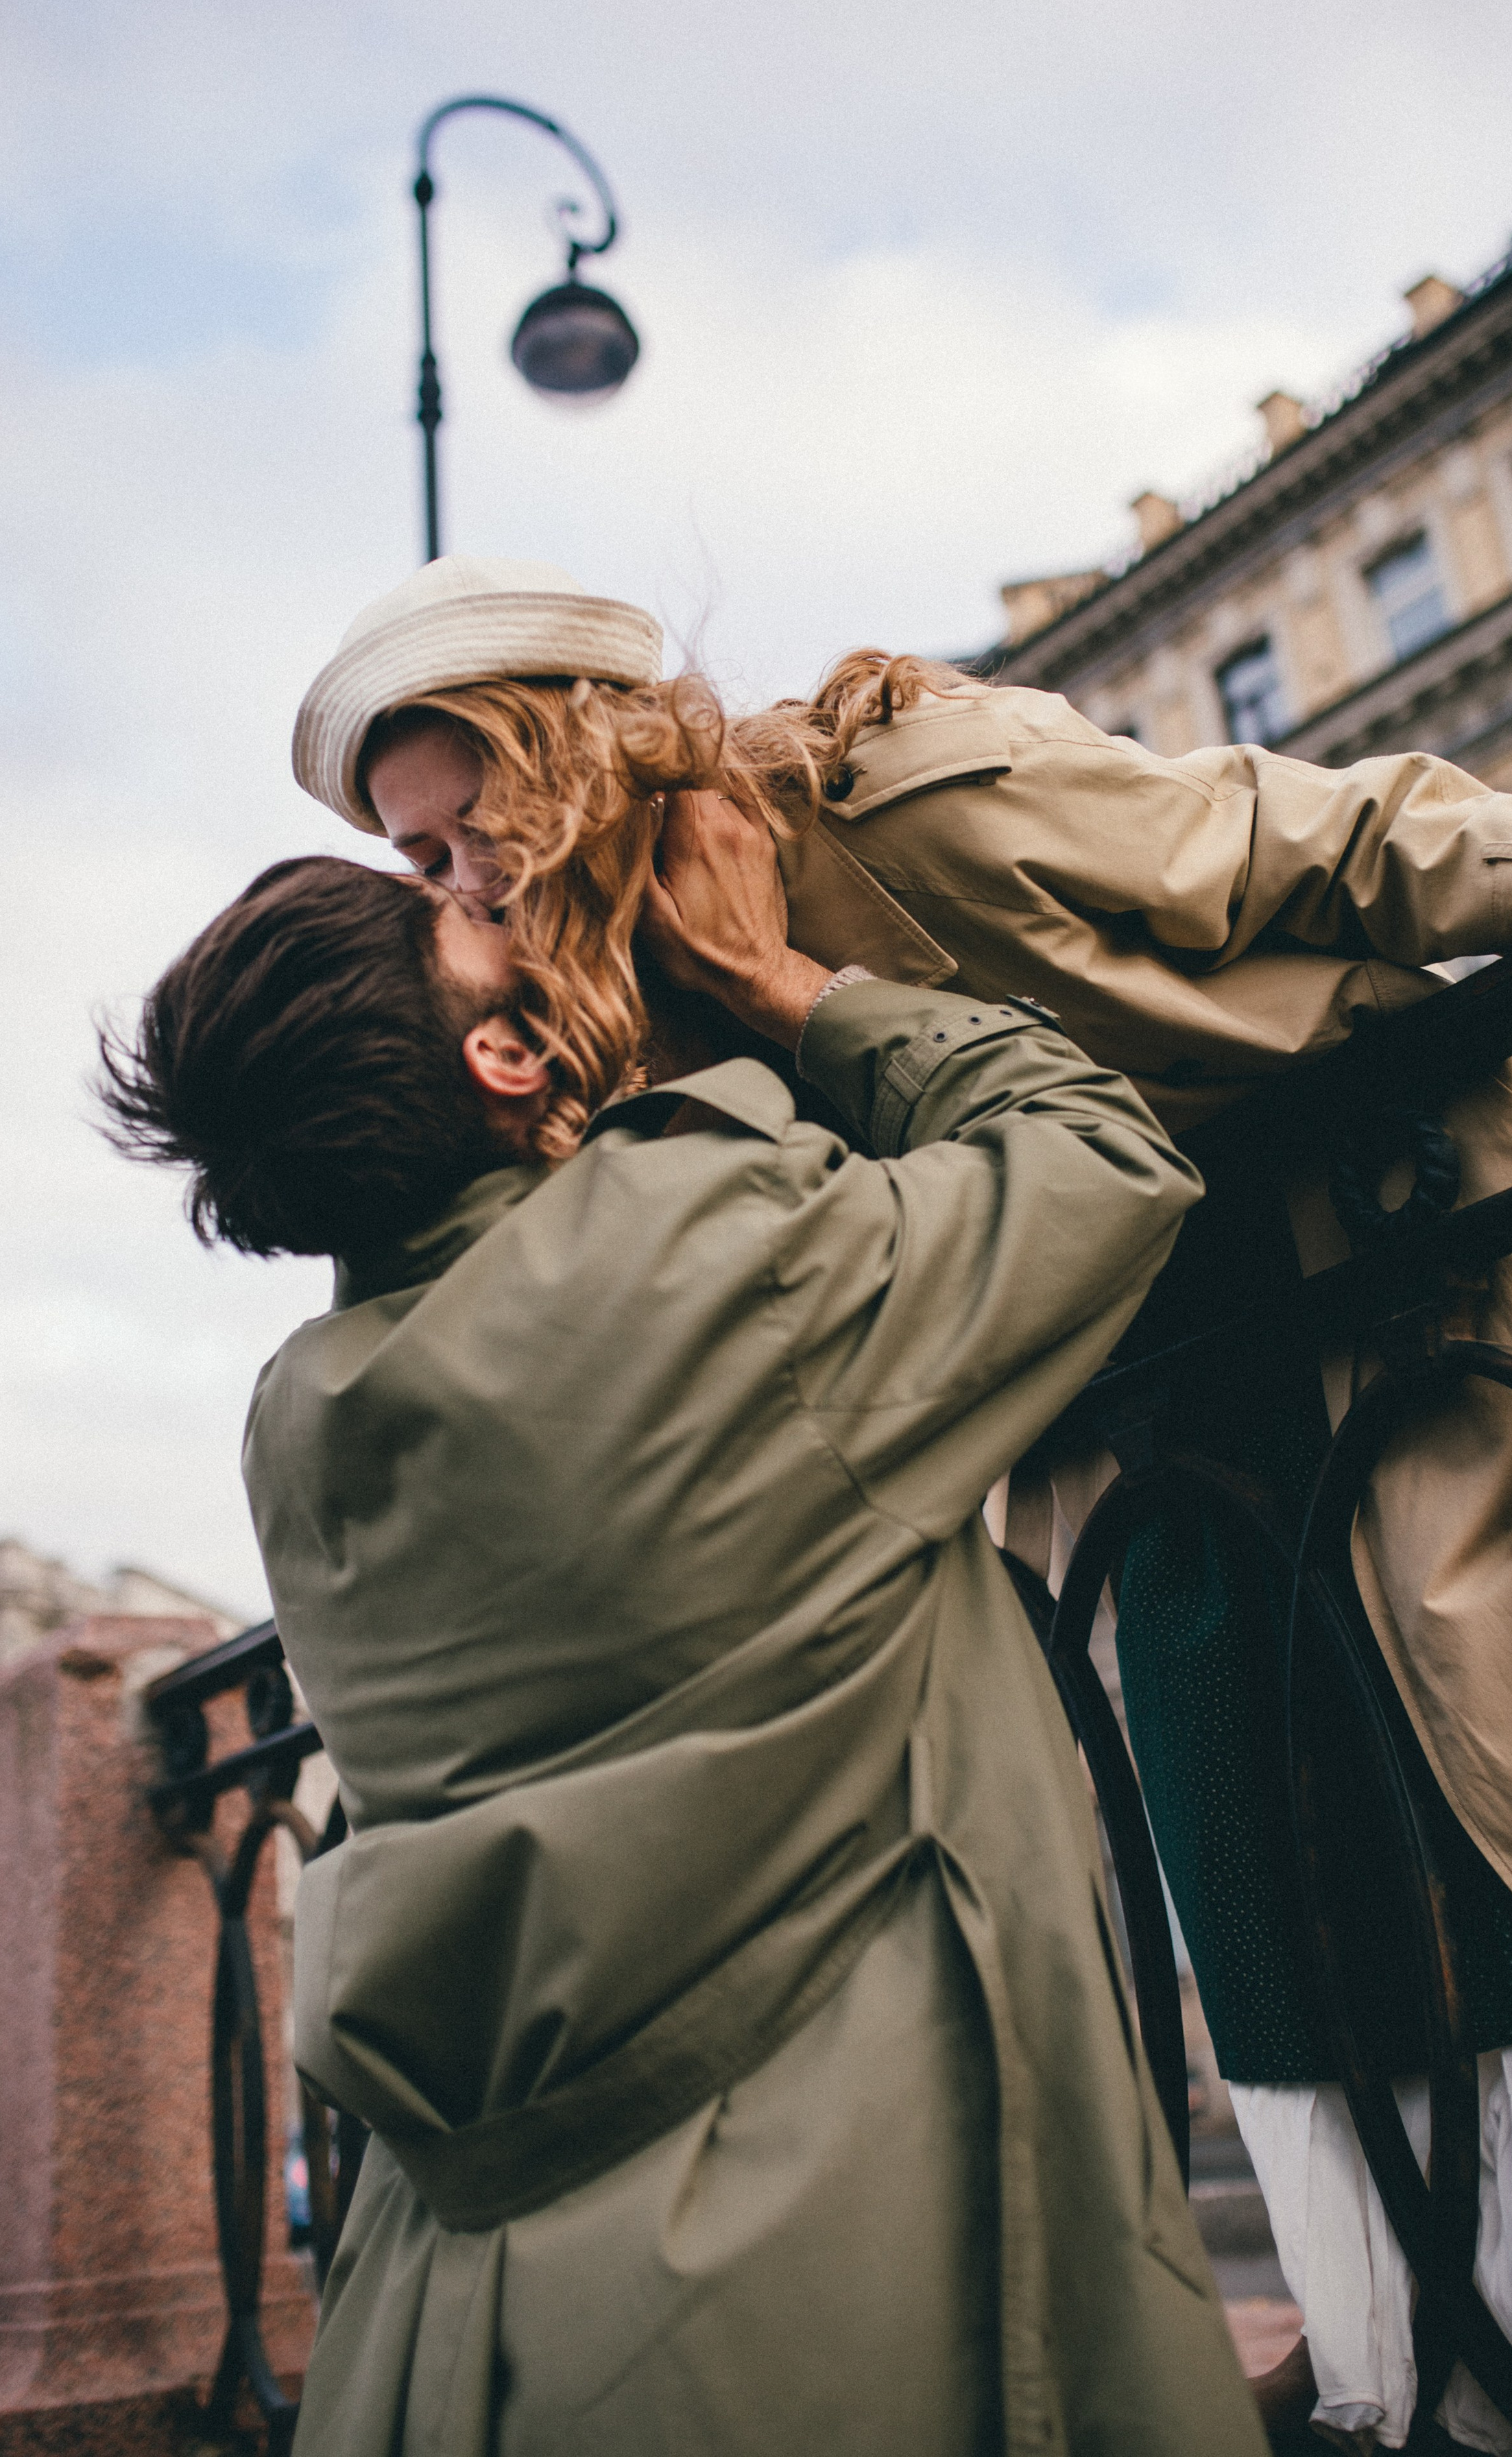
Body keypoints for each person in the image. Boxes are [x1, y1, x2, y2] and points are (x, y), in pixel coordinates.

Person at [291, 557, 1512, 2452]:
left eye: (465, 830)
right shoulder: (634, 1009)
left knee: (1503, 1788)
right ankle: (1406, 2331)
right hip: (1139, 1397)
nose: (460, 889)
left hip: (1384, 1268)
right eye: (421, 864)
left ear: (569, 749)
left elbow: (1282, 840)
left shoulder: (900, 801)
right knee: (1237, 1824)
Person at [98, 752, 1266, 2454]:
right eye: (460, 917)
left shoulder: (302, 1417)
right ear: (502, 1057)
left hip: (456, 2330)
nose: (494, 895)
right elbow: (1097, 1158)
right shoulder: (693, 1242)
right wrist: (776, 981)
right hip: (827, 2260)